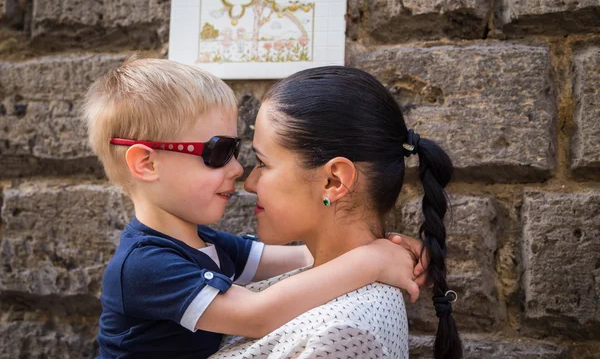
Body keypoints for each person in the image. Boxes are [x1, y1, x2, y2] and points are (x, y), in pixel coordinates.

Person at [82, 57, 425, 359]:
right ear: (146, 164)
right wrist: (372, 260)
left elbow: (312, 258)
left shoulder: (205, 243)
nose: (237, 171)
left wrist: (389, 245)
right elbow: (256, 314)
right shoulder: (144, 266)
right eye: (217, 153)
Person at [211, 66, 462, 359]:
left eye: (263, 163)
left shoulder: (341, 334)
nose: (250, 183)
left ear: (334, 181)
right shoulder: (320, 281)